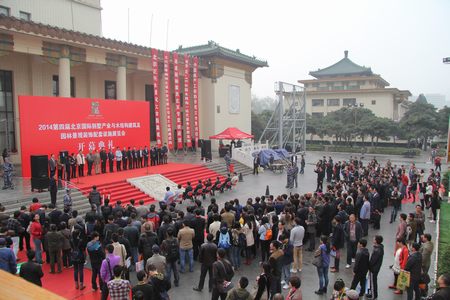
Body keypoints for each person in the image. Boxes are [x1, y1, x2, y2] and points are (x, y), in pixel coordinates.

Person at [367, 235, 384, 299]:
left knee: (373, 282)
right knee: (372, 281)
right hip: (375, 268)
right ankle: (372, 293)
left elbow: (373, 260)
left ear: (376, 241)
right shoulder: (379, 248)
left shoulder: (377, 250)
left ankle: (373, 295)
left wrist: (369, 266)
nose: (373, 239)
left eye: (374, 239)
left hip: (374, 269)